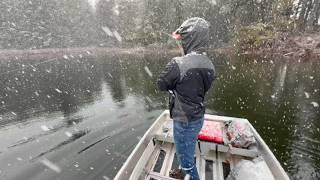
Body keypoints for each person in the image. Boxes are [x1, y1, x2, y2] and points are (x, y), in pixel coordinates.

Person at [158, 17, 216, 180]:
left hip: (183, 120)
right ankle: (183, 169)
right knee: (188, 148)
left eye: (183, 38)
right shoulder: (209, 64)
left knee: (186, 158)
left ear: (190, 38)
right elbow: (204, 85)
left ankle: (188, 171)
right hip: (198, 117)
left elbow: (161, 84)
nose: (181, 42)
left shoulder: (178, 63)